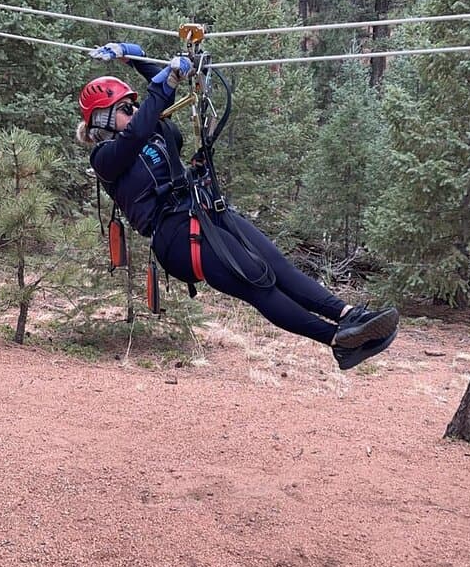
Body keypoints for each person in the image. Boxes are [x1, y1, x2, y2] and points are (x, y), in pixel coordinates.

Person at [76, 41, 399, 370]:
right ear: (102, 118)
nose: (134, 111)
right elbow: (137, 131)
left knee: (277, 264)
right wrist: (168, 79)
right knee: (258, 281)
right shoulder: (104, 159)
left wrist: (134, 55)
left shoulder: (154, 130)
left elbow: (153, 107)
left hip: (203, 208)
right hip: (176, 236)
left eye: (134, 106)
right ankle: (337, 341)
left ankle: (348, 316)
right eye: (125, 108)